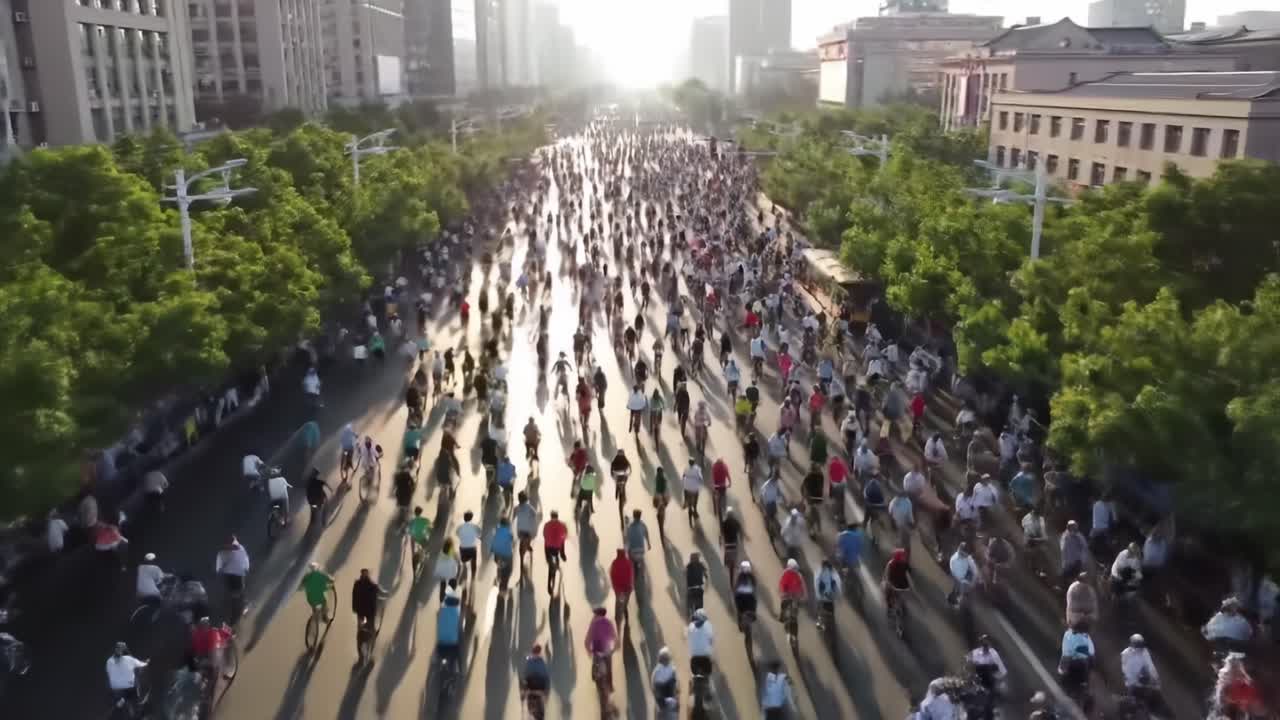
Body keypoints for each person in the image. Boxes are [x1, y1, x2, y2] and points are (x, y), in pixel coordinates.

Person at [1120, 634, 1165, 712]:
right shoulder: (1125, 654)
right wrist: (1133, 679)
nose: (1139, 649)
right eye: (1137, 646)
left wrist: (1155, 678)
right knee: (1132, 698)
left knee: (1149, 694)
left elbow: (1150, 666)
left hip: (1142, 678)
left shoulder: (1144, 652)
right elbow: (1125, 670)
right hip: (1132, 680)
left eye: (1140, 646)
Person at [585, 607, 619, 692]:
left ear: (597, 614)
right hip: (607, 651)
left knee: (595, 672)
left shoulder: (594, 624)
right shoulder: (609, 622)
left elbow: (587, 641)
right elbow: (615, 639)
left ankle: (597, 678)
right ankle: (610, 686)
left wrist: (589, 651)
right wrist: (613, 650)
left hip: (597, 652)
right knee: (609, 670)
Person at [1059, 622, 1095, 689]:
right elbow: (1092, 655)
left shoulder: (1070, 636)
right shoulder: (1087, 638)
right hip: (1084, 665)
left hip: (1076, 664)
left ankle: (1068, 680)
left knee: (1068, 658)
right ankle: (1083, 682)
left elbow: (1067, 655)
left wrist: (1062, 670)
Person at [215, 536, 250, 602]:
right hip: (229, 574)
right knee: (232, 588)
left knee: (239, 588)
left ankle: (241, 600)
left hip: (237, 573)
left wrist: (246, 568)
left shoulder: (239, 549)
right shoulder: (223, 553)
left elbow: (245, 558)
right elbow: (220, 562)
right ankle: (236, 599)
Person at [436, 586, 463, 669]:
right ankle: (460, 670)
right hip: (452, 645)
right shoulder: (457, 613)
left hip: (441, 645)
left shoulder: (441, 611)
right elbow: (459, 628)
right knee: (458, 654)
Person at [687, 608, 715, 680]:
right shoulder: (708, 625)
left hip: (694, 658)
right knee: (708, 675)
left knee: (693, 673)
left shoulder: (690, 626)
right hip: (706, 657)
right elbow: (711, 640)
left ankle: (692, 682)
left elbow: (688, 637)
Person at [948, 542, 978, 607]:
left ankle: (959, 599)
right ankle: (955, 598)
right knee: (958, 586)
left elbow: (975, 572)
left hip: (966, 577)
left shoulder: (968, 558)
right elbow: (955, 573)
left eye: (966, 555)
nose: (965, 556)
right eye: (963, 554)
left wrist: (972, 582)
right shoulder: (955, 559)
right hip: (958, 577)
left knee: (962, 587)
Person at [491, 518, 515, 587]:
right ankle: (502, 582)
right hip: (507, 556)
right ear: (507, 524)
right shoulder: (509, 533)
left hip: (497, 556)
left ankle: (498, 578)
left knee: (500, 566)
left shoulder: (496, 532)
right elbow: (512, 543)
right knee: (508, 571)